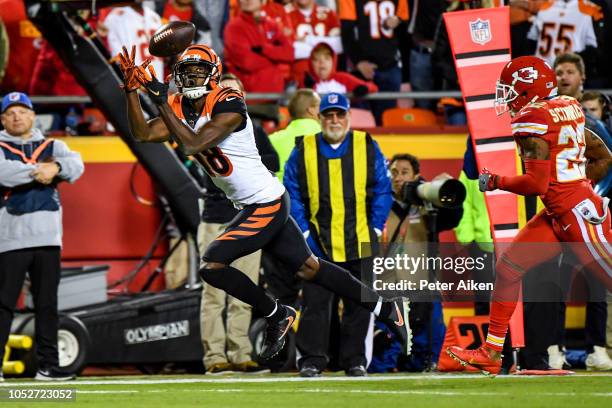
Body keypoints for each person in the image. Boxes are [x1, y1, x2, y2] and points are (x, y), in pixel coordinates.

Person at [118, 43, 411, 362]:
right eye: (185, 74)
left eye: (197, 73)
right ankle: (385, 307)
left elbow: (192, 144)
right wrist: (132, 91)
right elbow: (142, 133)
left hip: (265, 204)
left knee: (213, 264)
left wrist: (159, 100)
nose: (190, 80)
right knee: (312, 268)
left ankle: (276, 313)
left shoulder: (228, 101)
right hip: (256, 203)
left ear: (213, 75)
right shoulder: (178, 107)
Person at [446, 55, 612, 376]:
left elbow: (535, 184)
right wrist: (573, 182)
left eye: (510, 90)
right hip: (561, 211)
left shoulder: (532, 116)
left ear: (528, 89)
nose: (506, 98)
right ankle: (492, 351)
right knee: (509, 268)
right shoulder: (567, 105)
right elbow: (602, 155)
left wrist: (495, 181)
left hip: (577, 215)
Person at [283, 92, 393, 377]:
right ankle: (311, 360)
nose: (334, 120)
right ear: (318, 118)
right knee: (315, 305)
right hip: (317, 242)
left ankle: (355, 360)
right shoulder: (303, 147)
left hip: (360, 239)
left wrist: (377, 227)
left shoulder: (367, 145)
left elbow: (383, 188)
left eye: (339, 114)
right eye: (329, 114)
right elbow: (291, 191)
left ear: (348, 117)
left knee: (360, 304)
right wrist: (304, 230)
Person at [0, 92, 84, 381]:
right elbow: (4, 174)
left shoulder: (54, 145)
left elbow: (77, 165)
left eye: (22, 111)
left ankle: (49, 367)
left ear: (32, 115)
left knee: (47, 306)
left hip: (48, 239)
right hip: (9, 239)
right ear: (2, 119)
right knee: (3, 304)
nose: (17, 116)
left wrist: (58, 167)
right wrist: (44, 170)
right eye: (10, 112)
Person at [199, 73, 277, 375]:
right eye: (225, 92)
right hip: (217, 219)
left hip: (247, 218)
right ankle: (215, 356)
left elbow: (273, 163)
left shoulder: (253, 130)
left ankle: (241, 353)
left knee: (243, 291)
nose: (231, 97)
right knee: (213, 294)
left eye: (235, 92)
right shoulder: (207, 127)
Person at [386, 154, 462, 371]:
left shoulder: (427, 201)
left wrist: (444, 192)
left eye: (404, 173)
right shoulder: (381, 202)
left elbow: (452, 218)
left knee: (430, 335)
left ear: (416, 176)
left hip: (422, 281)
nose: (398, 178)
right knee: (387, 344)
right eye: (394, 173)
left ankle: (425, 363)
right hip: (388, 283)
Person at [338, 0, 409, 124]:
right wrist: (359, 62)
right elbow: (347, 32)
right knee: (360, 120)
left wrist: (399, 21)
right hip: (360, 70)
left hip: (390, 65)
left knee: (388, 119)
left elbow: (406, 31)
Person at [223, 0, 294, 94]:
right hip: (249, 97)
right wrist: (276, 59)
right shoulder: (234, 27)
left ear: (263, 2)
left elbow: (289, 53)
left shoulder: (272, 25)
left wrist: (263, 49)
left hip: (275, 96)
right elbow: (247, 62)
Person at [269, 88, 321, 181]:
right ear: (311, 110)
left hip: (279, 193)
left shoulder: (270, 140)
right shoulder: (327, 137)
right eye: (320, 106)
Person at [301, 42, 378, 97]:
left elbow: (373, 87)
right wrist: (307, 88)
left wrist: (365, 88)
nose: (322, 62)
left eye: (326, 59)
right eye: (316, 59)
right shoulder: (307, 82)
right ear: (311, 63)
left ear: (333, 61)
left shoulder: (342, 78)